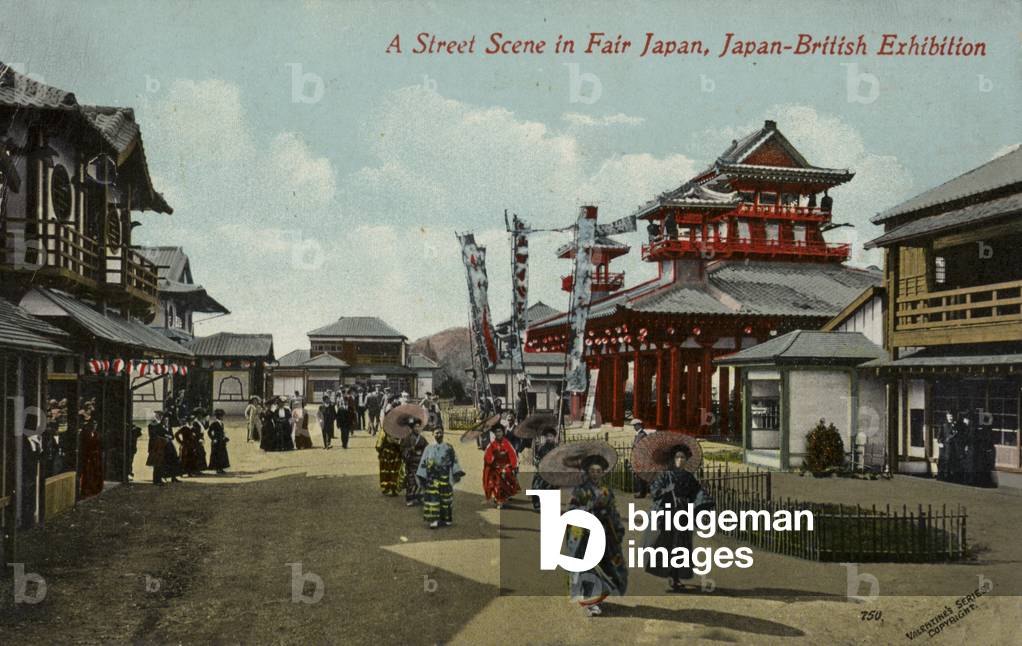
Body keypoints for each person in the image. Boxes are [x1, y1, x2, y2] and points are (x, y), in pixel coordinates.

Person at [565, 453, 628, 616]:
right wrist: (586, 509)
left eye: (598, 471)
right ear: (587, 472)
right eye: (592, 471)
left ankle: (596, 599)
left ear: (602, 473)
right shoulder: (580, 490)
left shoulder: (606, 491)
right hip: (585, 534)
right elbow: (571, 510)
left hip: (604, 533)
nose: (595, 474)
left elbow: (614, 511)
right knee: (588, 568)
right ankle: (589, 601)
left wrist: (618, 528)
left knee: (606, 567)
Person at [644, 445, 701, 592]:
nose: (680, 460)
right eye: (677, 457)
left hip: (683, 515)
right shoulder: (665, 475)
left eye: (683, 458)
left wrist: (695, 503)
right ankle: (669, 574)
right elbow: (654, 491)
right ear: (673, 459)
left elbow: (697, 493)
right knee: (668, 545)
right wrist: (665, 490)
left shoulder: (688, 477)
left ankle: (677, 576)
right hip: (668, 514)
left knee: (681, 546)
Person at [416, 428, 465, 529]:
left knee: (445, 498)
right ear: (433, 434)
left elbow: (454, 461)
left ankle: (446, 518)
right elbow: (423, 462)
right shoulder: (428, 448)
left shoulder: (448, 447)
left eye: (440, 433)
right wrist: (422, 476)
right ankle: (434, 520)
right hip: (432, 478)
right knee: (433, 498)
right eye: (436, 433)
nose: (439, 435)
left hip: (444, 477)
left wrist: (456, 472)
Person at [483, 424, 520, 508]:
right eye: (496, 432)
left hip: (506, 467)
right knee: (496, 482)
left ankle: (502, 497)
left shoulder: (507, 443)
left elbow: (513, 455)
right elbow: (487, 456)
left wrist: (514, 466)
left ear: (503, 433)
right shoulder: (492, 444)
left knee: (506, 478)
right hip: (496, 467)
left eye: (500, 431)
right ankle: (499, 499)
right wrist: (491, 460)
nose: (498, 433)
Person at [78, 401, 104, 498]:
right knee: (87, 472)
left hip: (95, 455)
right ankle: (87, 489)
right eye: (88, 408)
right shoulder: (84, 427)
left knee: (94, 472)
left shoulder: (95, 431)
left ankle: (94, 488)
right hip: (88, 454)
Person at [401, 418, 429, 506]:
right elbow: (403, 449)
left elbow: (427, 448)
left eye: (419, 427)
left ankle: (420, 497)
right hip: (411, 462)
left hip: (420, 462)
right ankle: (410, 499)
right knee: (411, 481)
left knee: (421, 481)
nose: (417, 428)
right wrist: (409, 450)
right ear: (412, 428)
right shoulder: (407, 438)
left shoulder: (422, 439)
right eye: (415, 427)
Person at [530, 428, 558, 511]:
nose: (549, 438)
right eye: (547, 436)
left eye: (551, 436)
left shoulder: (557, 449)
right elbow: (537, 459)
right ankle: (537, 504)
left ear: (554, 437)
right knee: (536, 487)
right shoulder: (541, 448)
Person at [376, 428, 403, 496]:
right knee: (389, 471)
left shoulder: (385, 430)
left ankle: (390, 488)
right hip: (389, 455)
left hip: (392, 454)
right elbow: (378, 445)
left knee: (392, 471)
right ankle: (389, 488)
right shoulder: (385, 430)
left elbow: (378, 445)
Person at [146, 410, 169, 485]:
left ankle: (158, 479)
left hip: (160, 446)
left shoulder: (159, 424)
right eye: (159, 415)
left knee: (160, 463)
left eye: (161, 416)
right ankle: (156, 480)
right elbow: (153, 436)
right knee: (157, 464)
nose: (160, 417)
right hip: (155, 446)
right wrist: (164, 438)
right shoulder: (153, 425)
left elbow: (164, 433)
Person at [207, 409, 231, 474]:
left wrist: (224, 437)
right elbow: (209, 432)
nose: (223, 417)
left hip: (221, 441)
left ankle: (221, 468)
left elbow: (222, 432)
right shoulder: (214, 423)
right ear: (219, 416)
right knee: (217, 455)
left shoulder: (221, 424)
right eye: (222, 416)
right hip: (216, 441)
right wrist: (213, 438)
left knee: (222, 455)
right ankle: (217, 469)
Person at [631, 419, 650, 498]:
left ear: (639, 425)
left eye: (635, 426)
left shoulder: (642, 434)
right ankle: (642, 492)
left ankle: (642, 493)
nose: (634, 427)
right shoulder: (639, 434)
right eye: (634, 426)